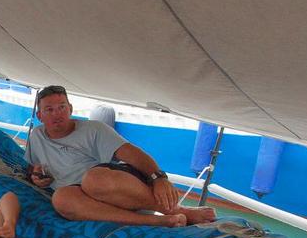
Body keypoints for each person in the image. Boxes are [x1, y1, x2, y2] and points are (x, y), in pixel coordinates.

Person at [26, 86, 215, 228]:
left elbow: (133, 154)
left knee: (93, 180)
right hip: (78, 194)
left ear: (71, 109)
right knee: (60, 198)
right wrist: (36, 176)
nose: (57, 114)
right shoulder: (36, 136)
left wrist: (159, 178)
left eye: (61, 107)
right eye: (49, 110)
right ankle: (156, 221)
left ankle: (177, 211)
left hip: (109, 184)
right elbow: (32, 167)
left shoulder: (93, 129)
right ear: (40, 115)